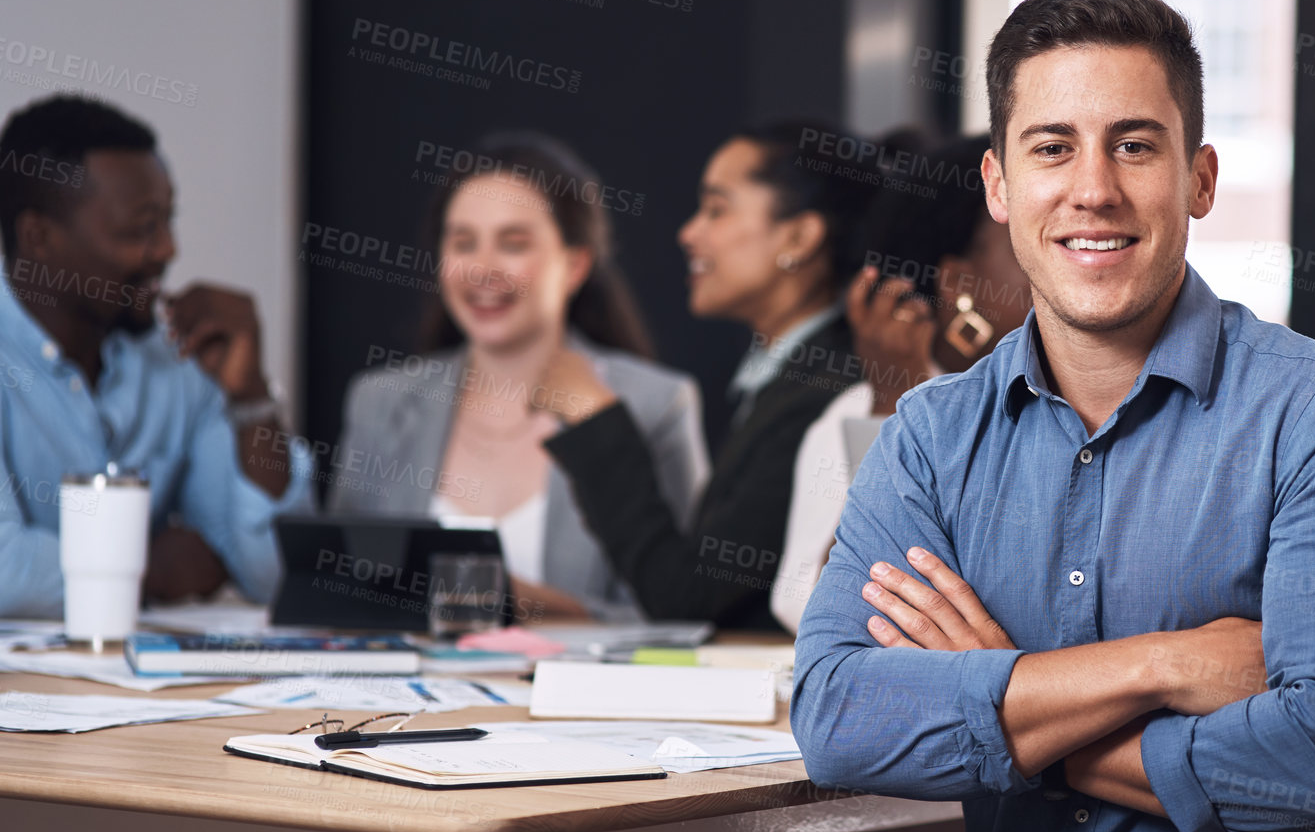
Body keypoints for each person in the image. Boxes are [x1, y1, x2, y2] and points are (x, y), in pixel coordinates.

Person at [790, 0, 1315, 832]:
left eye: (1134, 145)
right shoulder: (933, 437)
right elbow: (840, 718)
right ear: (1000, 186)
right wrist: (1164, 665)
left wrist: (1008, 699)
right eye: (1052, 147)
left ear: (1200, 180)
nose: (1092, 188)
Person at [329, 134, 707, 620]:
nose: (483, 269)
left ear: (575, 265)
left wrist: (530, 605)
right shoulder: (379, 400)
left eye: (514, 244)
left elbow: (685, 613)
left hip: (572, 694)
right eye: (463, 242)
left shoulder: (656, 403)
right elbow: (338, 587)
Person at [537, 121, 877, 630]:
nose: (689, 232)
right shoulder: (789, 376)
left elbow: (687, 595)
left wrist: (594, 417)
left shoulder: (826, 390)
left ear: (799, 236)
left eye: (717, 209)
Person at [0, 94, 312, 616]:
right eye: (141, 229)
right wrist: (149, 566)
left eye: (168, 221)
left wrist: (251, 396)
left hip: (152, 692)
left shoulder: (183, 360)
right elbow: (6, 572)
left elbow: (276, 573)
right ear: (40, 239)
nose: (168, 250)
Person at [771, 134, 1030, 633]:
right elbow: (809, 604)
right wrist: (896, 403)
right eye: (1021, 239)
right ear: (960, 284)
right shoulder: (857, 412)